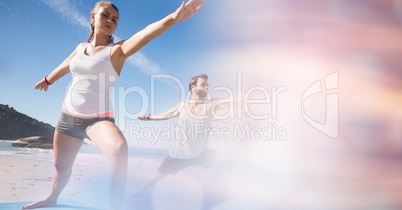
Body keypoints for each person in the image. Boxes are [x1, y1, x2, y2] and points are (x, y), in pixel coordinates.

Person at [22, 0, 204, 209]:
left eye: (115, 19)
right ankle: (52, 198)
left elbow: (145, 34)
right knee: (61, 167)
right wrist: (47, 80)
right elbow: (66, 65)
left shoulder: (117, 51)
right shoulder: (81, 48)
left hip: (97, 120)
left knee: (118, 149)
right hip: (68, 117)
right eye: (105, 15)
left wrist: (174, 17)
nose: (110, 20)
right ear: (93, 17)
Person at [137, 74, 232, 174]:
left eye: (208, 85)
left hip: (199, 155)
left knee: (228, 162)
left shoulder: (210, 105)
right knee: (157, 180)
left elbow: (231, 101)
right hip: (176, 157)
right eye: (203, 84)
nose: (207, 87)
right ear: (193, 87)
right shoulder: (183, 105)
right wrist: (148, 117)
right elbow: (165, 115)